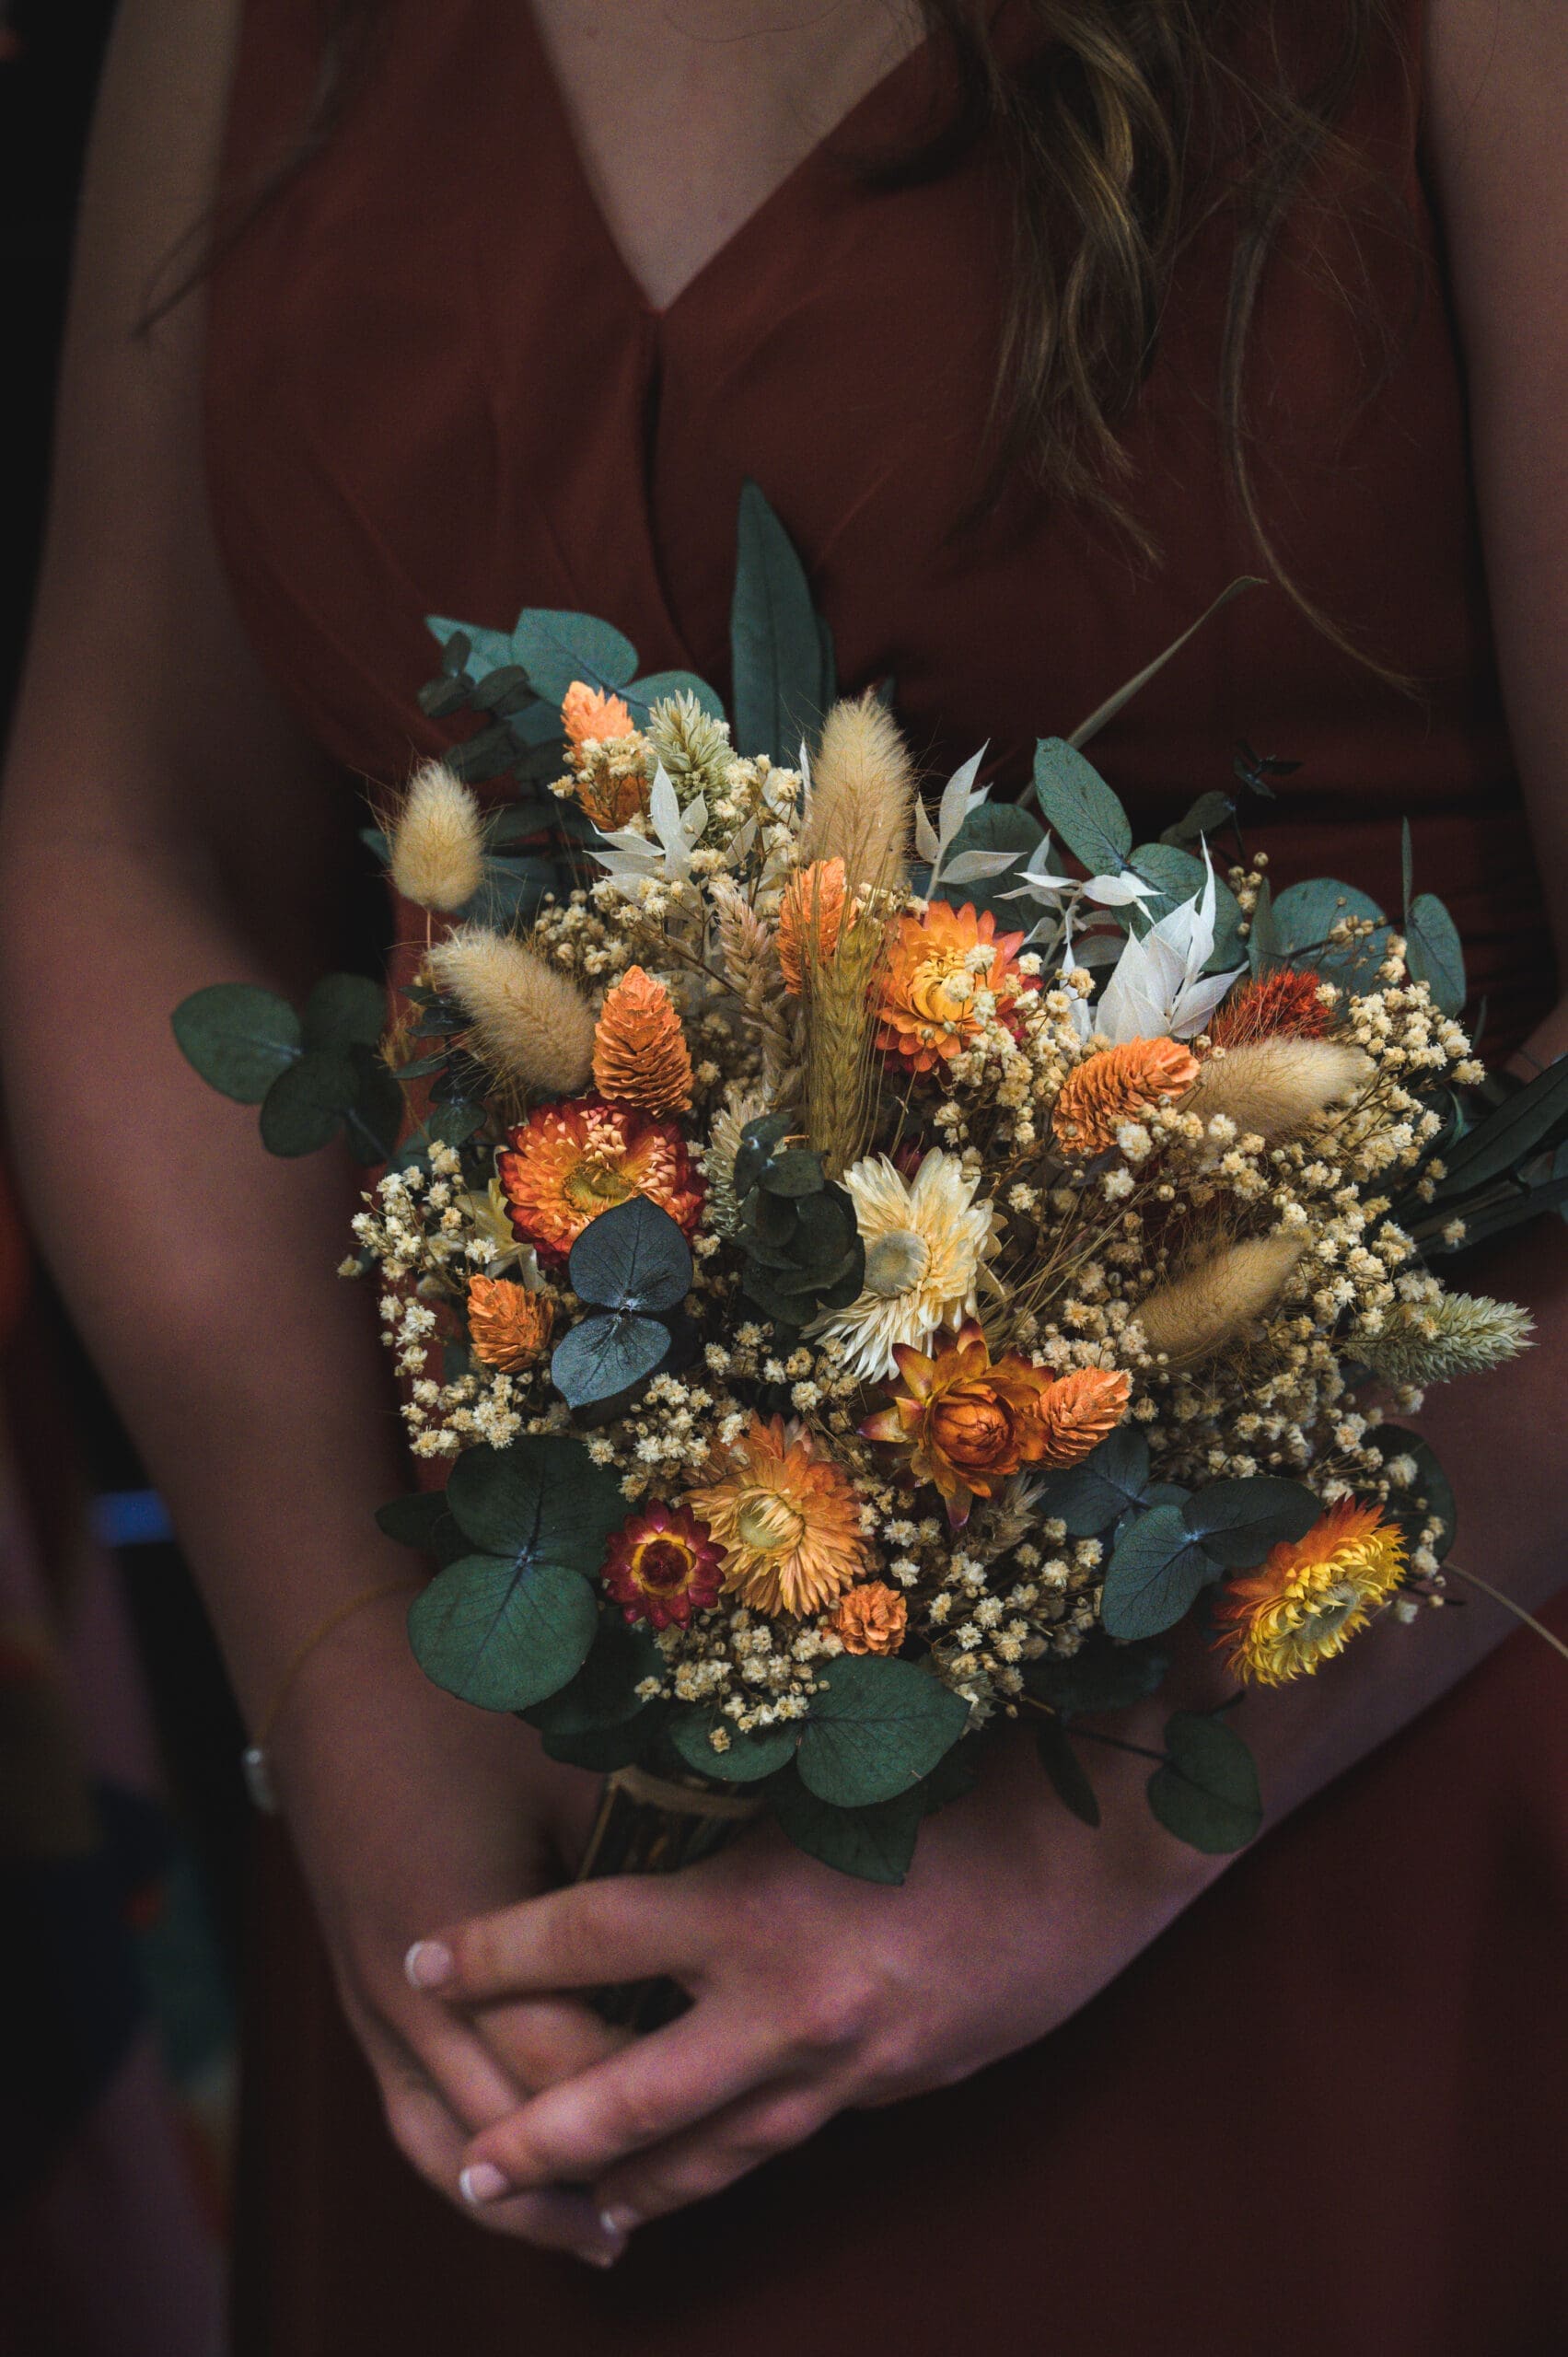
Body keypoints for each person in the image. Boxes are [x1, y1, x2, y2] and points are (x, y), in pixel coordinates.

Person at [4, 0, 1566, 2349]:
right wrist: (339, 1667)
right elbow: (128, 814)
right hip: (514, 1857)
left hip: (1339, 1826)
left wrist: (1085, 1833)